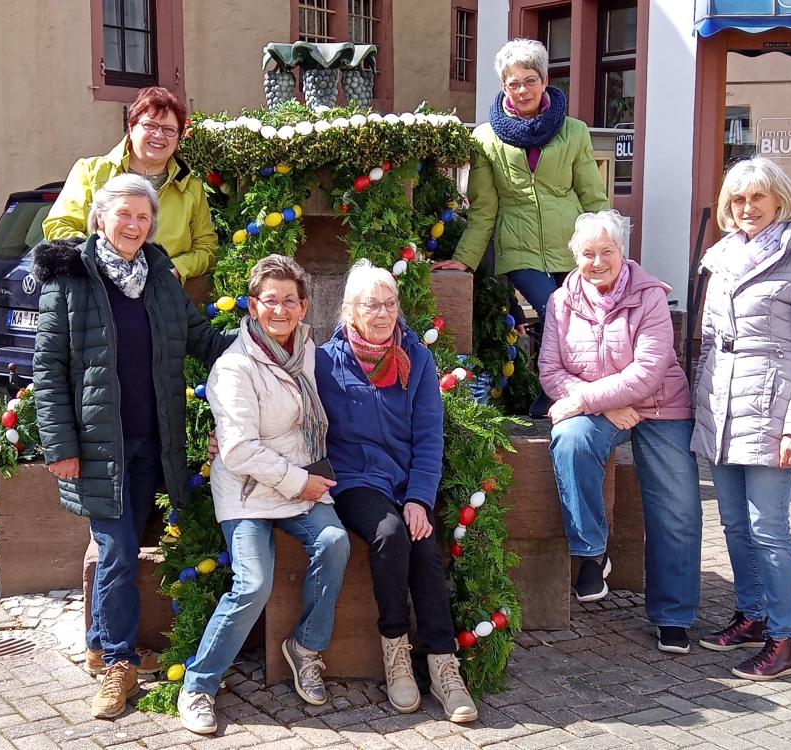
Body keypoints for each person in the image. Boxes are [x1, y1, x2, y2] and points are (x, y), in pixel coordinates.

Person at [31, 174, 234, 719]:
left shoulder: (161, 276)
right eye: (124, 215)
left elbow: (200, 337)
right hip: (100, 446)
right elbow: (48, 368)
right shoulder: (71, 280)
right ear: (100, 217)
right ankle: (119, 664)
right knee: (118, 550)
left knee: (124, 545)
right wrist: (59, 445)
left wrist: (260, 340)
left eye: (143, 217)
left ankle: (101, 642)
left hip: (154, 440)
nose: (134, 226)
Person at [692, 157, 791, 680]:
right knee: (734, 524)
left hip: (770, 407)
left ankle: (784, 640)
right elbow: (708, 343)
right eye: (738, 199)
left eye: (758, 198)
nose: (747, 209)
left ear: (780, 200)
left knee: (770, 528)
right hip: (722, 406)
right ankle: (753, 615)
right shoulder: (721, 257)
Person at [178, 255, 350, 735]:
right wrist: (301, 482)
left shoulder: (308, 351)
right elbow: (238, 451)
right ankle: (197, 684)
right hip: (249, 491)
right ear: (252, 306)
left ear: (303, 305)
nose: (280, 310)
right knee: (252, 583)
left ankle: (306, 648)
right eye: (269, 300)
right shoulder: (233, 366)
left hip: (301, 481)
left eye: (289, 300)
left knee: (334, 542)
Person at [314, 260, 479, 723]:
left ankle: (445, 666)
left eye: (390, 304)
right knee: (389, 534)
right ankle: (396, 653)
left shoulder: (417, 359)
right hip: (355, 481)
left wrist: (419, 498)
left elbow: (429, 435)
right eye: (372, 305)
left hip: (406, 482)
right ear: (349, 310)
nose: (383, 313)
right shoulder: (326, 362)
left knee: (423, 547)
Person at [538, 210, 703, 654]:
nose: (597, 261)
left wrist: (588, 400)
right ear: (575, 256)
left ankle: (673, 615)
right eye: (587, 253)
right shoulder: (560, 301)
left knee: (676, 508)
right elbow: (551, 371)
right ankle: (592, 552)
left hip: (660, 405)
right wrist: (603, 407)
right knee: (570, 439)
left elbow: (650, 371)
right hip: (607, 407)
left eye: (605, 251)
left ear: (622, 252)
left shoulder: (649, 295)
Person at [432, 38, 609, 413]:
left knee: (583, 316)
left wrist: (609, 247)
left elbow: (592, 196)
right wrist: (465, 258)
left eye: (530, 80)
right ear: (503, 87)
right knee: (556, 309)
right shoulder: (485, 138)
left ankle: (577, 390)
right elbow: (483, 207)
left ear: (545, 81)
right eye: (514, 83)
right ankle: (555, 388)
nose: (523, 90)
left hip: (572, 244)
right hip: (518, 246)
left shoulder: (574, 131)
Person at [43, 86, 218, 284]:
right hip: (98, 291)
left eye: (169, 129)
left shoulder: (191, 187)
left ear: (178, 138)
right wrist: (101, 258)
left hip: (160, 299)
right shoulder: (91, 171)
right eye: (150, 125)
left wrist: (176, 268)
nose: (159, 135)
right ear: (132, 127)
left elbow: (207, 249)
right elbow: (58, 226)